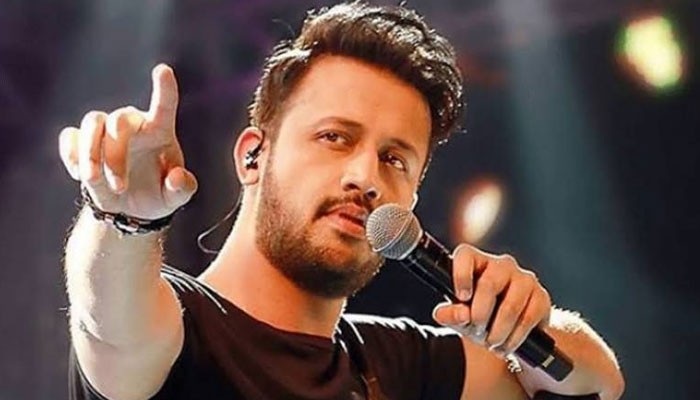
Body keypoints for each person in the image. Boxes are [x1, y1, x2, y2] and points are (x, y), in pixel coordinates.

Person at [58, 2, 624, 399]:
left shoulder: (396, 363)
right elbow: (106, 317)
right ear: (253, 156)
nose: (366, 177)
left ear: (412, 196)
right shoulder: (181, 327)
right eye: (335, 137)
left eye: (394, 159)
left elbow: (596, 384)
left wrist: (530, 323)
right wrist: (122, 217)